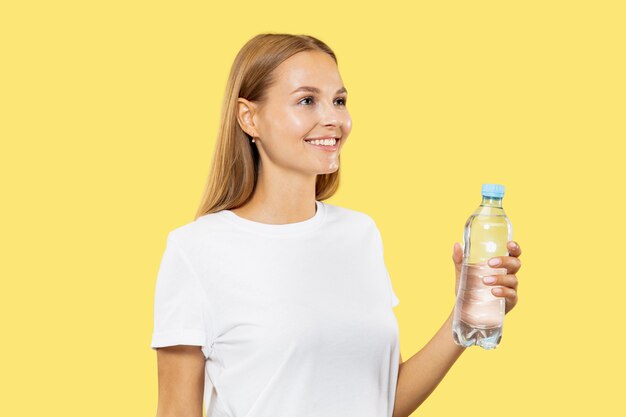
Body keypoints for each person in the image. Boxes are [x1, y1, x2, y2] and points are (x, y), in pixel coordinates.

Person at [150, 33, 522, 417]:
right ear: (250, 117)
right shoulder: (197, 250)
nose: (333, 119)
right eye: (307, 100)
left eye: (339, 101)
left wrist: (464, 317)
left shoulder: (359, 235)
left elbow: (379, 402)